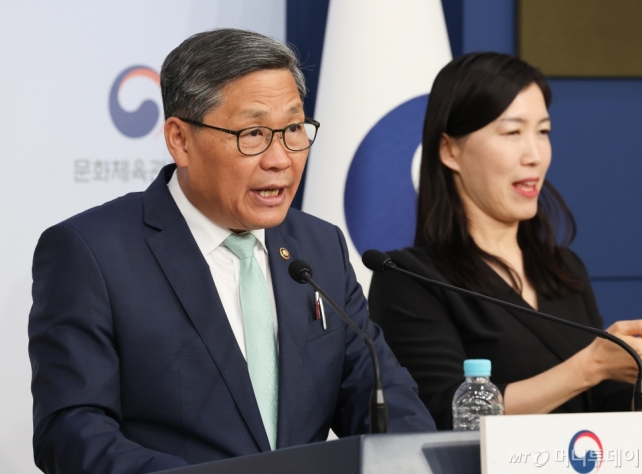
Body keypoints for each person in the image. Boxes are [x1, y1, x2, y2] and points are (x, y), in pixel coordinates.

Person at [28, 29, 435, 474]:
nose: (280, 158)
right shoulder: (93, 252)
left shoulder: (319, 247)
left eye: (293, 129)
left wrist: (415, 459)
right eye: (253, 133)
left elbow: (380, 395)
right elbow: (71, 431)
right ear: (180, 140)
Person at [368, 52, 642, 430]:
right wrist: (591, 366)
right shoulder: (409, 278)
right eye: (512, 132)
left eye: (543, 132)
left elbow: (603, 403)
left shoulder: (563, 269)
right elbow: (440, 415)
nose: (534, 155)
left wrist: (634, 374)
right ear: (450, 150)